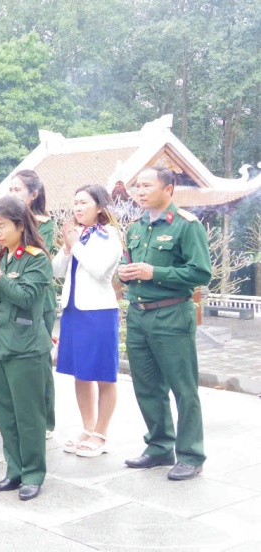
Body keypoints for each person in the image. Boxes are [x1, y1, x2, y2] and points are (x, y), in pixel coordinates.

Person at [118, 167, 211, 481]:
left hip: (172, 314)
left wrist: (154, 273)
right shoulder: (135, 228)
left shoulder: (187, 226)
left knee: (183, 388)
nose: (140, 192)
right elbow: (131, 265)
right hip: (139, 314)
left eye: (147, 185)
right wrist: (125, 273)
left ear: (168, 189)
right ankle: (159, 447)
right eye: (137, 186)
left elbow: (200, 274)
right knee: (146, 386)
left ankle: (191, 455)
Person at [0, 196, 53, 501]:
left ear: (20, 225)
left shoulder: (36, 259)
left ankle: (33, 473)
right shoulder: (1, 256)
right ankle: (14, 469)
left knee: (29, 414)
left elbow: (26, 297)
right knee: (5, 413)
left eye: (3, 226)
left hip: (26, 348)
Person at [53, 185, 123, 457]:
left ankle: (101, 433)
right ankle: (87, 428)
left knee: (103, 374)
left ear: (100, 207)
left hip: (98, 312)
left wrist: (76, 244)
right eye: (75, 203)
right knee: (81, 374)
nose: (77, 208)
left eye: (83, 203)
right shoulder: (78, 235)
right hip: (73, 311)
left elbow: (99, 270)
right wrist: (67, 246)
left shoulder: (111, 236)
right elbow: (56, 270)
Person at [8, 169, 57, 438]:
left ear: (34, 194)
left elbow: (36, 254)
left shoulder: (43, 223)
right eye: (11, 190)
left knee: (40, 361)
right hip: (12, 296)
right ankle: (20, 413)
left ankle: (46, 418)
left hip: (39, 301)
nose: (12, 195)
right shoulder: (5, 223)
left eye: (18, 190)